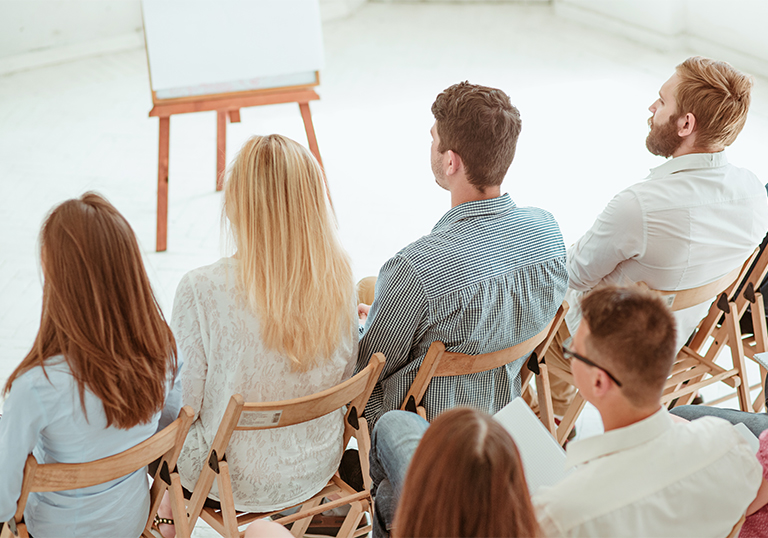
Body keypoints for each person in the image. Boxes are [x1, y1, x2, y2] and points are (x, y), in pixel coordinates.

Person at [371, 286, 761, 537]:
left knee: (394, 433)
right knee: (391, 493)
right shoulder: (729, 446)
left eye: (575, 351)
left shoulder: (559, 516)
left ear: (598, 383)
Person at [541, 56, 768, 417]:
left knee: (533, 308)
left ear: (686, 124)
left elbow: (570, 276)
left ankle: (548, 422)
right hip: (678, 339)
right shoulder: (755, 194)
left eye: (662, 101)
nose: (651, 107)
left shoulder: (640, 206)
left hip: (611, 350)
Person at [356, 81, 567, 429]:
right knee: (371, 287)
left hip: (421, 424)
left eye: (433, 139)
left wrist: (364, 328)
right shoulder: (548, 234)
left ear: (451, 161)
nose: (431, 146)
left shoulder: (414, 268)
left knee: (361, 298)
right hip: (498, 404)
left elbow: (365, 374)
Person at [169, 135, 358, 518]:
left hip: (228, 476)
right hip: (315, 464)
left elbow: (183, 408)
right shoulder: (339, 273)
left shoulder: (201, 288)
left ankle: (165, 516)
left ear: (239, 206)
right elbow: (345, 370)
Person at [0, 193, 181, 538]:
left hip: (56, 529)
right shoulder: (164, 351)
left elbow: (3, 502)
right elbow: (165, 427)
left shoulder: (36, 386)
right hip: (131, 519)